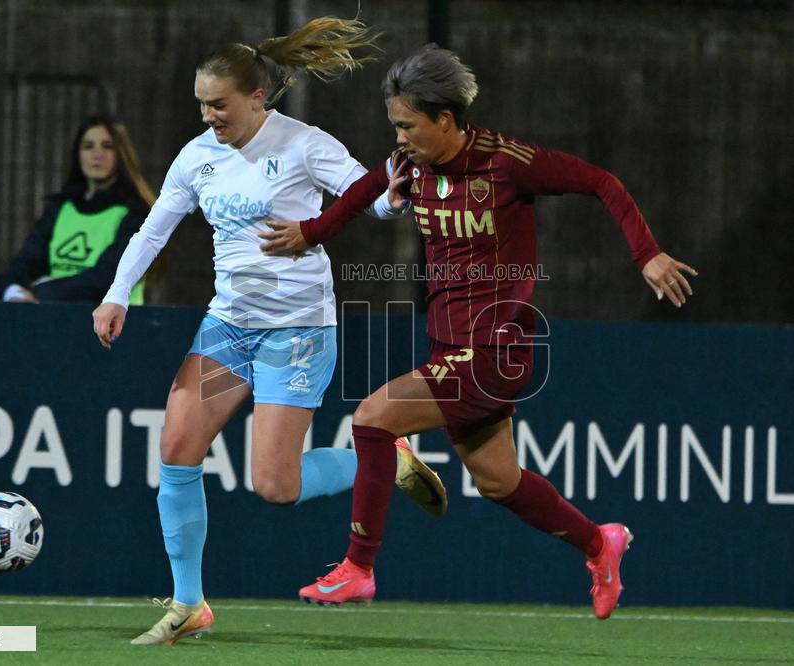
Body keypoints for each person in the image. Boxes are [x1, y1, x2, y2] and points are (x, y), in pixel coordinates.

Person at [259, 44, 698, 618]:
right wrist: (309, 233)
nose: (399, 138)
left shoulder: (508, 163)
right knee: (498, 482)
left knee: (372, 417)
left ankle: (359, 569)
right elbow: (364, 191)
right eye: (394, 125)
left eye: (408, 125)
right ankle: (599, 544)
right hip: (450, 346)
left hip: (496, 349)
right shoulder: (412, 165)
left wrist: (646, 254)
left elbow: (602, 182)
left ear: (445, 120)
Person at [90, 18, 448, 646]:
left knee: (275, 487)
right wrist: (117, 294)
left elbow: (370, 195)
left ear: (257, 97)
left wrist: (394, 199)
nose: (208, 116)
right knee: (177, 446)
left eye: (219, 105)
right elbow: (153, 230)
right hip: (228, 327)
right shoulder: (198, 155)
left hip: (297, 332)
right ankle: (189, 603)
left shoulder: (304, 144)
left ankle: (383, 457)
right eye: (201, 104)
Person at [0, 116, 155, 304]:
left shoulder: (138, 215)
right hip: (60, 320)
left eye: (107, 146)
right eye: (88, 146)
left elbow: (106, 278)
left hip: (116, 327)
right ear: (78, 154)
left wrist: (40, 291)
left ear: (121, 154)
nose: (97, 154)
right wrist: (13, 289)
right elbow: (25, 261)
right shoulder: (60, 209)